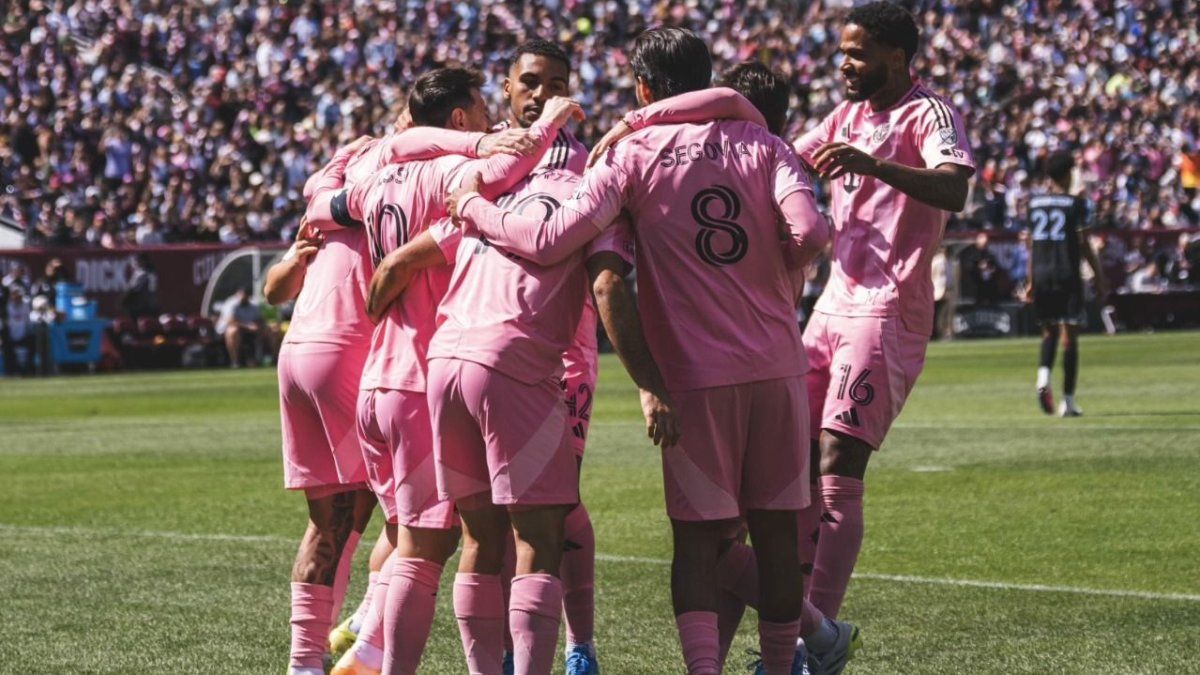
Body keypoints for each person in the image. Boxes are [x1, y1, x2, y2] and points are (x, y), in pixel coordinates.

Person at [448, 27, 836, 675]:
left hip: (694, 376)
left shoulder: (628, 154)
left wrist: (473, 208)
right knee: (775, 537)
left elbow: (551, 239)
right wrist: (767, 275)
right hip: (778, 367)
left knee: (699, 542)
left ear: (644, 88)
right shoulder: (767, 144)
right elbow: (812, 233)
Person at [307, 67, 574, 675]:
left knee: (414, 536)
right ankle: (375, 660)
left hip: (379, 377)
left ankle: (364, 643)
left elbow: (323, 204)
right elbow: (502, 176)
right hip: (419, 379)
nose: (490, 121)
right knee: (428, 548)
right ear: (458, 119)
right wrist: (547, 125)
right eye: (480, 110)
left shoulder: (379, 176)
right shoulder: (453, 171)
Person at [263, 209, 377, 675]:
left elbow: (274, 290)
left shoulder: (328, 198)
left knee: (335, 517)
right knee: (427, 512)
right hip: (352, 350)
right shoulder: (404, 184)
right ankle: (369, 629)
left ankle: (305, 662)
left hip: (297, 352)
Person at [1024, 150, 1108, 417]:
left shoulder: (1034, 204)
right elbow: (1085, 245)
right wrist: (1099, 277)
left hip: (1041, 273)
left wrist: (1030, 280)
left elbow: (1030, 246)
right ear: (1068, 173)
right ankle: (1068, 401)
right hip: (1066, 273)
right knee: (1069, 336)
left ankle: (1042, 378)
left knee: (1048, 331)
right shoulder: (1076, 204)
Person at [215, 287, 269, 367]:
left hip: (247, 330)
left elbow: (260, 319)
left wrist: (258, 325)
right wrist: (248, 327)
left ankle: (261, 358)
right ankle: (235, 361)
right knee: (233, 331)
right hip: (226, 330)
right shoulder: (232, 304)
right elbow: (231, 321)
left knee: (267, 330)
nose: (242, 298)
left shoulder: (254, 305)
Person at [121, 254, 160, 321]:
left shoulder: (143, 273)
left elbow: (133, 289)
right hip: (148, 305)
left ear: (143, 261)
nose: (134, 263)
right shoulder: (146, 272)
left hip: (142, 306)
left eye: (137, 261)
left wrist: (123, 300)